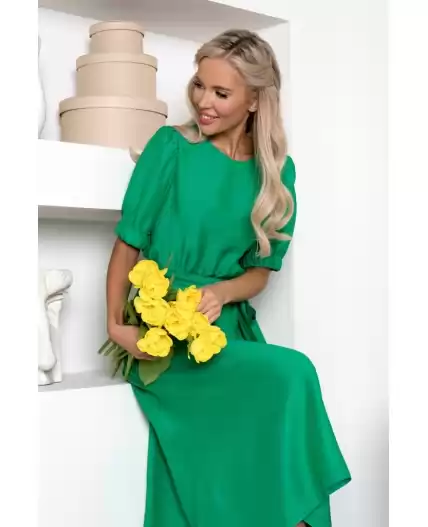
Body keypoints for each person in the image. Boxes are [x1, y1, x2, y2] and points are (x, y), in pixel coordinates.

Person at [106, 29, 351, 527]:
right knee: (293, 373)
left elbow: (259, 275)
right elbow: (127, 245)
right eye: (200, 85)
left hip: (227, 331)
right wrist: (116, 326)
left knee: (281, 393)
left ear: (256, 100)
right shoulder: (171, 148)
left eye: (221, 92)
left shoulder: (276, 175)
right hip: (161, 333)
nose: (203, 102)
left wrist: (221, 291)